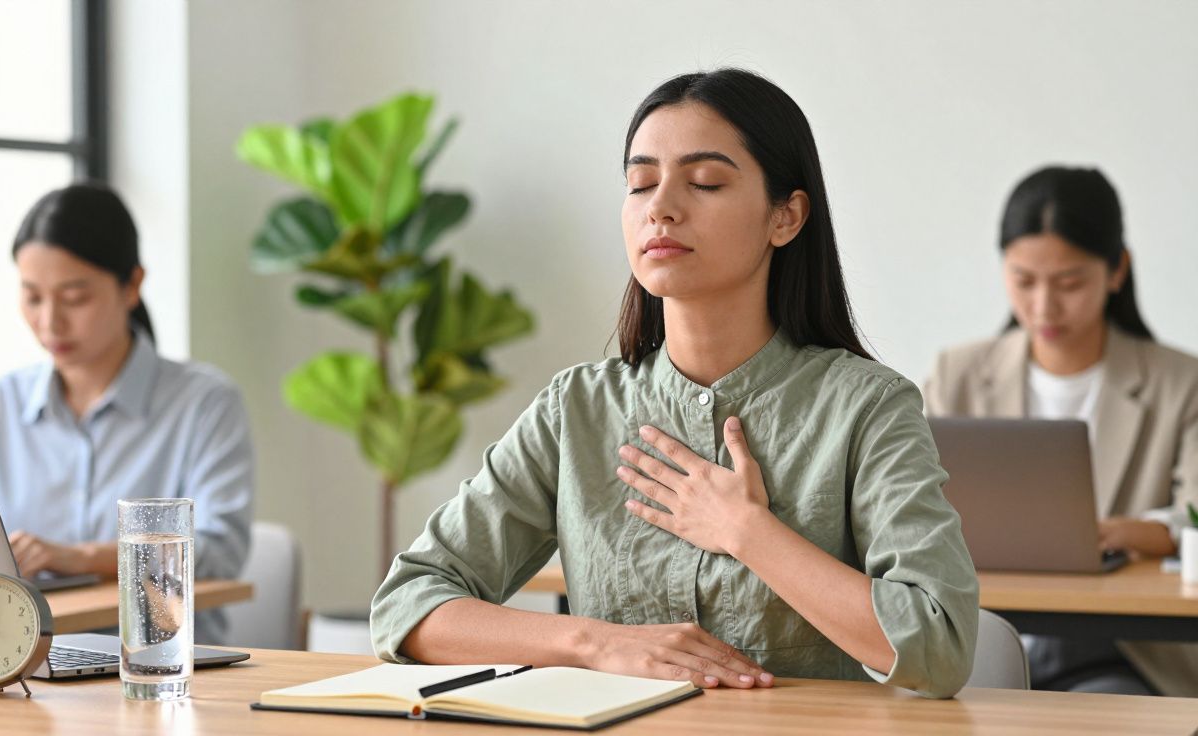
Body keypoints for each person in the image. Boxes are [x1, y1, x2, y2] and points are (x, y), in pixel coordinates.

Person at [371, 69, 978, 698]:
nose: (660, 205)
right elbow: (407, 605)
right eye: (640, 184)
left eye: (705, 181)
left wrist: (746, 531)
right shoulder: (573, 409)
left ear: (786, 216)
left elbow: (941, 646)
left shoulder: (869, 407)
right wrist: (594, 643)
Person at [0, 182, 254, 644]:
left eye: (75, 298)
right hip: (14, 663)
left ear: (132, 286)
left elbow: (219, 551)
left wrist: (79, 557)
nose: (50, 322)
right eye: (33, 297)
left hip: (164, 670)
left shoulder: (205, 404)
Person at [924, 166, 1198, 697]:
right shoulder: (957, 375)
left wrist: (1132, 532)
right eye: (1024, 281)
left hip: (1123, 650)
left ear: (1116, 271)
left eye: (1069, 283)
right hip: (975, 640)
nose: (1044, 306)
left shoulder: (1180, 383)